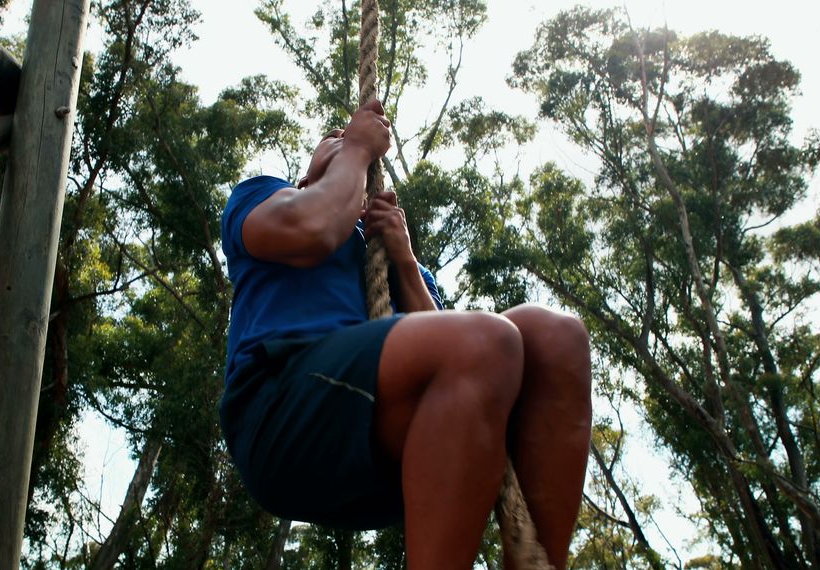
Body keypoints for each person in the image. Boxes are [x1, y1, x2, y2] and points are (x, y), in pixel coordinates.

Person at [219, 98, 592, 569]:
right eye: (332, 136)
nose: (343, 139)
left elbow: (462, 365)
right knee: (484, 341)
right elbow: (310, 226)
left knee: (554, 337)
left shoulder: (393, 259)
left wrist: (405, 261)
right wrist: (355, 147)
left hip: (394, 445)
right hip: (282, 413)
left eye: (348, 138)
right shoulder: (265, 195)